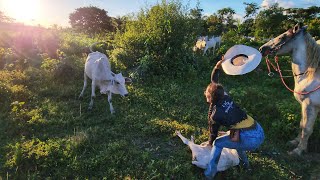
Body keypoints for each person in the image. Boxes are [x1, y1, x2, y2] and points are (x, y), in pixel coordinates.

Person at [204, 56, 265, 179]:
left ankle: (209, 174)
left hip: (250, 138)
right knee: (236, 142)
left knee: (218, 143)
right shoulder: (225, 97)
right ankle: (245, 166)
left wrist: (210, 143)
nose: (204, 93)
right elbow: (214, 83)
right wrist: (217, 67)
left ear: (210, 97)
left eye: (206, 93)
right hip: (258, 130)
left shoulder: (216, 115)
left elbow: (213, 133)